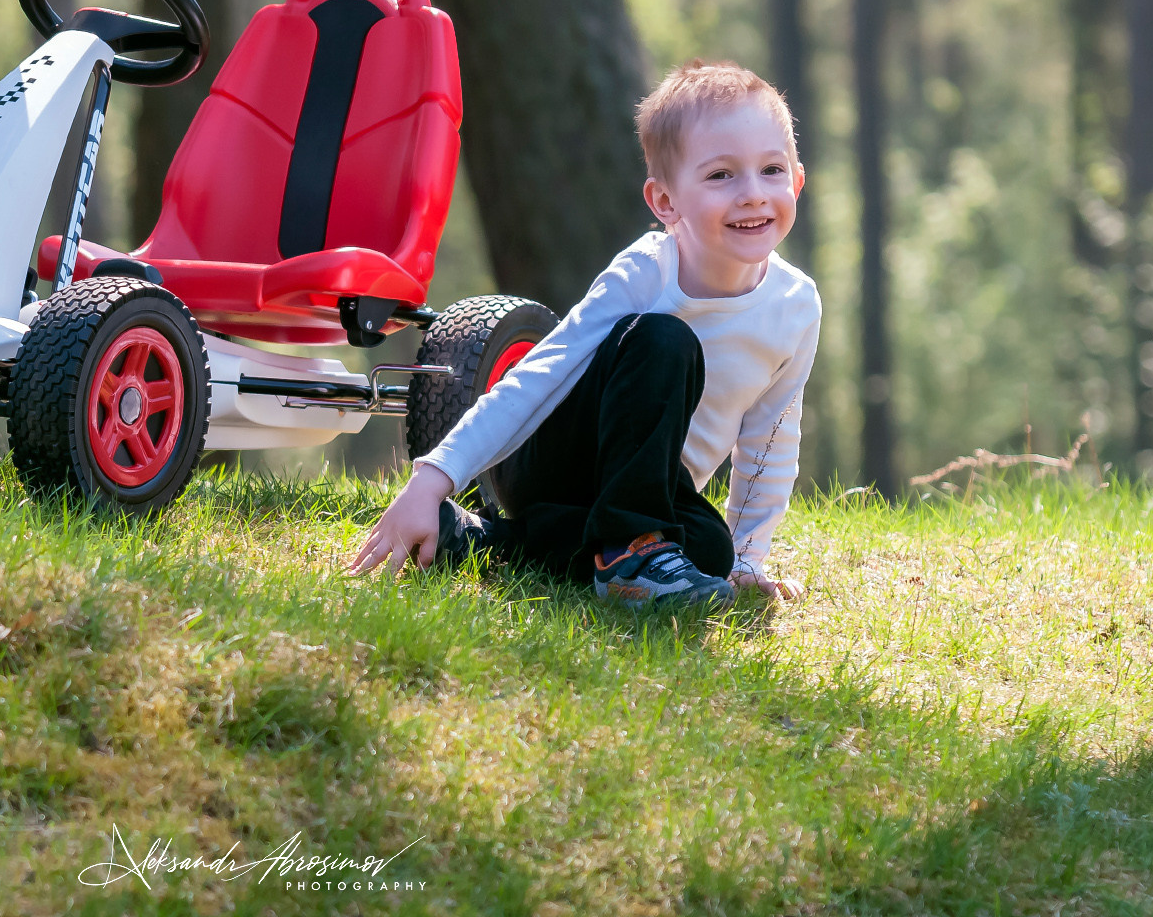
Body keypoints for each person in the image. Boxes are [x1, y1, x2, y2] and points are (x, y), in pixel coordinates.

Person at [347, 60, 820, 607]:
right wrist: (432, 479)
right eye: (720, 175)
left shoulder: (795, 306)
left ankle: (486, 542)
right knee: (666, 341)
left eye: (772, 170)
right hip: (555, 459)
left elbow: (771, 437)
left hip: (650, 490)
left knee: (711, 553)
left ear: (798, 179)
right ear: (665, 203)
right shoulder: (645, 274)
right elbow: (542, 374)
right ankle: (629, 550)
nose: (753, 194)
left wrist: (745, 558)